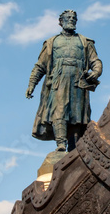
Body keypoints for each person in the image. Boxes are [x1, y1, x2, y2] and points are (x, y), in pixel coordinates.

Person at [26, 10, 102, 152]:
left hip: (78, 82)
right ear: (60, 22)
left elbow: (95, 61)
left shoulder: (85, 41)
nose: (71, 20)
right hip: (58, 80)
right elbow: (40, 66)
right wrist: (32, 84)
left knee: (76, 114)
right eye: (68, 18)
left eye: (74, 18)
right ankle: (61, 143)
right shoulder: (52, 42)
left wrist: (96, 71)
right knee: (59, 110)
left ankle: (74, 146)